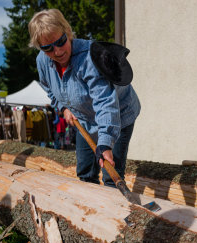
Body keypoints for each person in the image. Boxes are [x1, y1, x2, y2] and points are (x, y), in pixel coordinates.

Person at [28, 9, 141, 186]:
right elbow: (48, 88)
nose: (57, 52)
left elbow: (105, 102)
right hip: (84, 119)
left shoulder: (90, 57)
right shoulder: (42, 61)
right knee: (85, 173)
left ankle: (115, 212)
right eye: (48, 48)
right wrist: (64, 108)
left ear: (67, 32)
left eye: (60, 42)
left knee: (111, 175)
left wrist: (105, 143)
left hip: (117, 113)